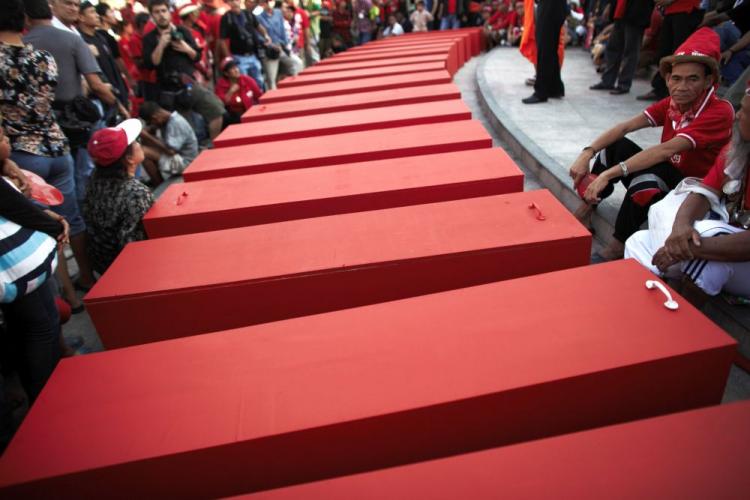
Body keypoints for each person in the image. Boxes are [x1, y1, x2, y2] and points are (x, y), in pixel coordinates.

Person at [569, 28, 734, 260]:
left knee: (646, 179)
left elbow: (665, 150)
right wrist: (587, 152)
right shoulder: (672, 103)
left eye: (693, 79)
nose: (682, 86)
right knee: (615, 146)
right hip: (670, 172)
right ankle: (587, 208)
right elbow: (625, 127)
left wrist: (609, 175)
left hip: (693, 191)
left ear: (709, 81)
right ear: (667, 79)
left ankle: (617, 245)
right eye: (676, 78)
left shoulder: (720, 111)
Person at [625, 82, 750, 298]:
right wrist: (680, 229)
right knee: (638, 241)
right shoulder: (739, 147)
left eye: (745, 112)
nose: (737, 116)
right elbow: (704, 192)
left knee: (705, 244)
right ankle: (644, 307)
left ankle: (683, 325)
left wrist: (687, 248)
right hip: (727, 242)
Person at [0, 120, 67, 405]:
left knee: (25, 328)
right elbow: (14, 207)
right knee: (42, 325)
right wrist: (54, 225)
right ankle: (47, 399)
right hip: (18, 272)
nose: (8, 141)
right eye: (2, 135)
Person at [142, 0, 225, 140]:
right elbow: (152, 63)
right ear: (152, 16)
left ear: (169, 12)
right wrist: (161, 44)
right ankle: (195, 155)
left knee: (216, 109)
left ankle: (213, 144)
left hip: (189, 84)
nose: (161, 15)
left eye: (163, 11)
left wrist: (186, 48)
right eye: (156, 12)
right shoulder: (149, 39)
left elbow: (197, 56)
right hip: (169, 90)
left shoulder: (182, 31)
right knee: (185, 130)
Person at [82, 119, 154, 275]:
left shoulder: (94, 180)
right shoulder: (136, 192)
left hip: (101, 262)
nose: (139, 144)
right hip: (126, 269)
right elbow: (134, 246)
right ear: (129, 159)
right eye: (136, 142)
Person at [636, 0, 703, 101]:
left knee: (679, 53)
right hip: (670, 11)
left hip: (686, 10)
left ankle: (676, 91)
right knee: (664, 52)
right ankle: (659, 89)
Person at [588, 0, 654, 95]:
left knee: (630, 52)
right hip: (620, 14)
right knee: (612, 49)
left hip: (635, 15)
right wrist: (611, 7)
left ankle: (624, 84)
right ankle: (607, 81)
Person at [521, 0, 566, 103]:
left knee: (544, 48)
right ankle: (554, 87)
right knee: (550, 48)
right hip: (554, 6)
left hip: (550, 5)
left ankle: (541, 92)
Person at [138, 101, 199, 174]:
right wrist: (149, 130)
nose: (153, 124)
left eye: (151, 122)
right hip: (179, 156)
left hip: (186, 162)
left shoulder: (176, 123)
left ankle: (158, 183)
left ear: (155, 118)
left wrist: (147, 136)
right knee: (145, 142)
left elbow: (171, 151)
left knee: (142, 151)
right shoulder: (168, 119)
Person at [220, 0, 266, 90]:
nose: (234, 3)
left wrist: (266, 37)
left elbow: (259, 26)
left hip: (253, 54)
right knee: (244, 82)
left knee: (259, 81)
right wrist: (228, 58)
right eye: (231, 1)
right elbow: (222, 40)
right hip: (239, 56)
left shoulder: (247, 14)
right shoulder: (227, 17)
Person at [257, 0, 303, 89]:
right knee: (271, 79)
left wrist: (284, 45)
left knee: (297, 63)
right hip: (270, 51)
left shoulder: (278, 13)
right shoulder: (258, 17)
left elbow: (282, 30)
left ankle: (294, 87)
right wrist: (271, 45)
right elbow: (259, 36)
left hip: (281, 47)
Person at [215, 57, 263, 123]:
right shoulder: (221, 85)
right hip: (233, 118)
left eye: (236, 67)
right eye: (232, 68)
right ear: (226, 73)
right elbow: (220, 104)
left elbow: (259, 96)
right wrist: (230, 92)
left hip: (250, 113)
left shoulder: (247, 80)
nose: (236, 70)